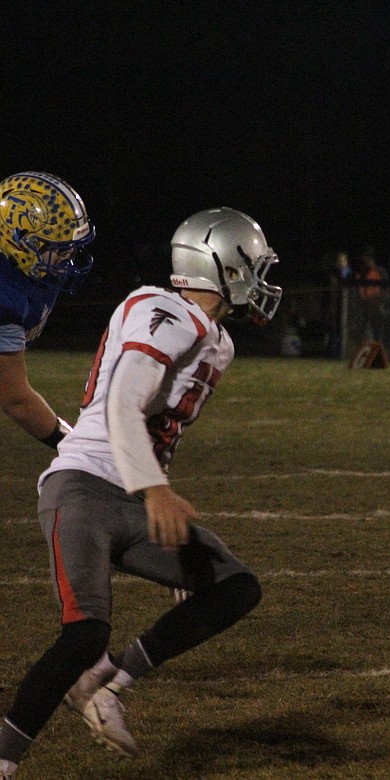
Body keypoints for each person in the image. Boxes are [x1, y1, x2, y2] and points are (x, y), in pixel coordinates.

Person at [0, 207, 281, 779]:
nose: (261, 276)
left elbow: (150, 428)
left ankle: (106, 682)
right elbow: (122, 402)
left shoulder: (216, 339)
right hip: (82, 491)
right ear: (223, 265)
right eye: (253, 263)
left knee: (233, 587)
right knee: (85, 633)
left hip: (129, 496)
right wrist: (156, 492)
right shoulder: (163, 311)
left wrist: (153, 491)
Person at [0, 171, 95, 449]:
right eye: (59, 250)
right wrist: (76, 447)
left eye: (70, 250)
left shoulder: (19, 268)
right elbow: (15, 400)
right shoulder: (6, 298)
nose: (68, 260)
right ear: (17, 240)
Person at [353, 244, 388, 350]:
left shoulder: (380, 271)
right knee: (361, 331)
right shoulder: (359, 273)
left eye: (367, 258)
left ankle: (378, 351)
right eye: (364, 258)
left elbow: (386, 289)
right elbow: (356, 291)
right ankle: (360, 352)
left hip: (377, 305)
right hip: (363, 306)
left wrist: (380, 302)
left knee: (378, 332)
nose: (365, 260)